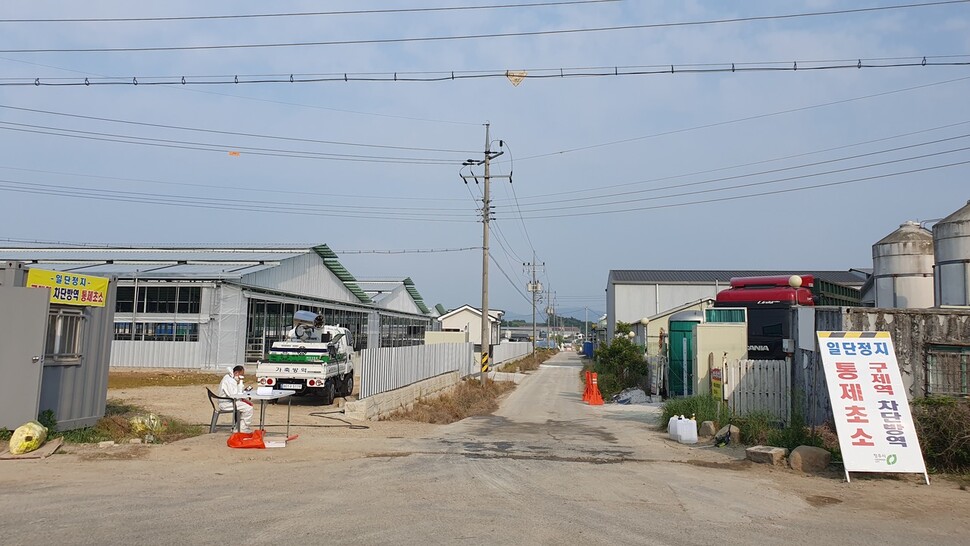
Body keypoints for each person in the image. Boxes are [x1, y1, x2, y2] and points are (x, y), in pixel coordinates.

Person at [219, 365, 254, 433]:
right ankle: (242, 428)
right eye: (241, 375)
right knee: (248, 408)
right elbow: (234, 395)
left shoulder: (229, 378)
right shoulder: (229, 380)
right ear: (236, 373)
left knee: (245, 405)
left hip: (229, 401)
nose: (242, 377)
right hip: (226, 403)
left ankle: (238, 427)